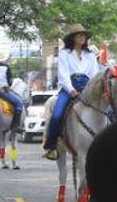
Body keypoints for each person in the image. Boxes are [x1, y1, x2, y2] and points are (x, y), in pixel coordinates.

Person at [44, 24, 103, 160]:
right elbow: (63, 74)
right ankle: (51, 146)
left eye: (84, 35)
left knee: (107, 110)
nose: (82, 37)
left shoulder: (90, 55)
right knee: (57, 115)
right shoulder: (64, 53)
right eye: (79, 35)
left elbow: (94, 74)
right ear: (73, 38)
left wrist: (90, 90)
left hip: (87, 87)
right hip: (68, 87)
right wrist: (71, 90)